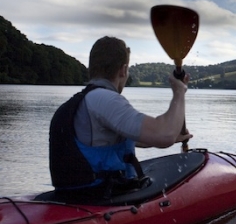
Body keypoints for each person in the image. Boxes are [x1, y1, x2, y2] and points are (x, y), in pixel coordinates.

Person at [49, 36, 192, 200]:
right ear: (123, 70)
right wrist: (179, 92)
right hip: (99, 197)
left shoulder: (84, 101)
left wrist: (175, 136)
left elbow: (130, 139)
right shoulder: (104, 99)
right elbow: (164, 135)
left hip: (74, 195)